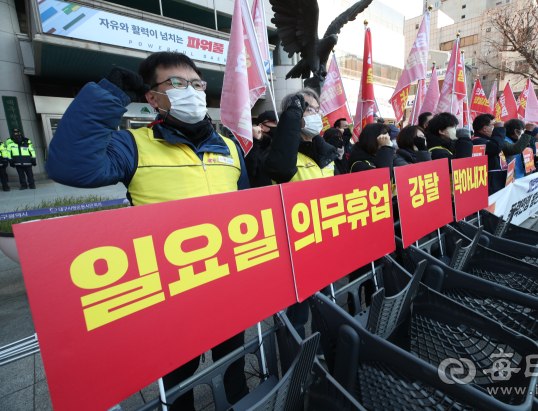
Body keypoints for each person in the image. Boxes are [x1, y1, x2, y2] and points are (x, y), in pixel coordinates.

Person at [45, 51, 250, 410]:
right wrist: (109, 95)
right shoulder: (133, 145)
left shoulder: (230, 146)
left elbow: (249, 209)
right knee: (178, 380)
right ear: (153, 98)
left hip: (228, 285)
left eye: (196, 84)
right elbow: (71, 167)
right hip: (170, 295)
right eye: (177, 83)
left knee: (236, 364)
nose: (192, 90)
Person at [261, 89, 337, 340]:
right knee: (297, 315)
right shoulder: (279, 153)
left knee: (326, 307)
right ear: (293, 114)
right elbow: (281, 168)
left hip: (324, 244)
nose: (314, 114)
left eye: (316, 109)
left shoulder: (326, 153)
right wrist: (292, 118)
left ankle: (326, 353)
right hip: (294, 251)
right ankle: (298, 364)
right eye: (307, 109)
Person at [471, 114, 506, 194]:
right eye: (493, 125)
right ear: (485, 128)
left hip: (496, 183)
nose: (495, 127)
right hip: (489, 186)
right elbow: (496, 147)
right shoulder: (477, 141)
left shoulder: (489, 141)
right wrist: (499, 129)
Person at [245, 112, 275, 188]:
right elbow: (251, 171)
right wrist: (255, 141)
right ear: (261, 126)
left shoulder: (277, 145)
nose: (278, 125)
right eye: (275, 122)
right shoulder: (252, 147)